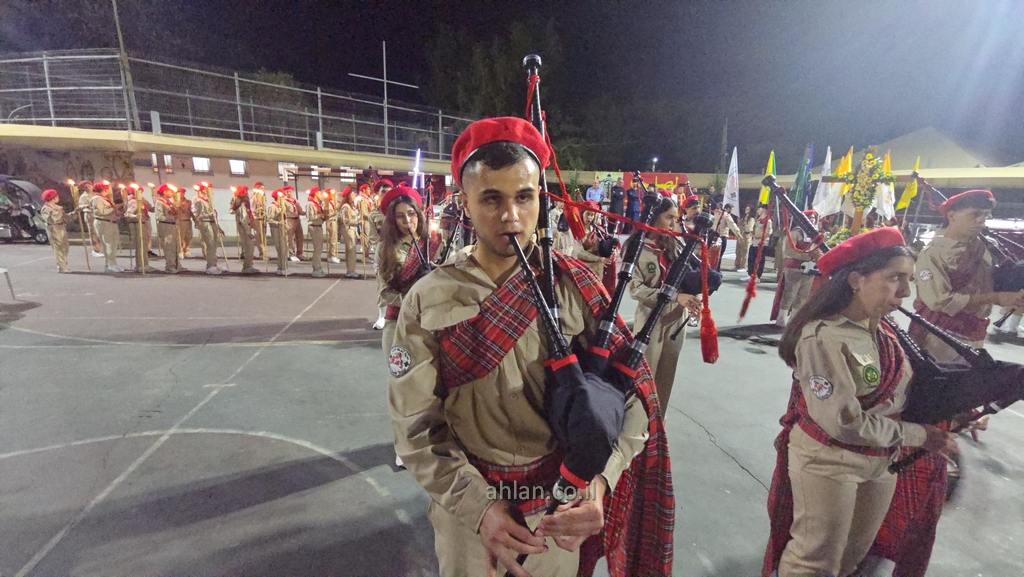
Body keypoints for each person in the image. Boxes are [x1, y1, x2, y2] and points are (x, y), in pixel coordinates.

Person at [389, 117, 672, 577]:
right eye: (492, 199)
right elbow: (415, 426)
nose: (511, 216)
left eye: (524, 197)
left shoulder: (574, 284)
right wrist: (480, 509)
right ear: (464, 201)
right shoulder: (429, 298)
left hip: (559, 514)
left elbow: (632, 393)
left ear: (540, 197)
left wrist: (601, 480)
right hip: (470, 520)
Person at [761, 227, 958, 577]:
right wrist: (919, 435)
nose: (906, 291)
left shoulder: (885, 332)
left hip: (882, 460)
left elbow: (901, 395)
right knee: (814, 560)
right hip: (830, 460)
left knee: (854, 556)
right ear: (855, 279)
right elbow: (844, 421)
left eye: (909, 279)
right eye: (895, 278)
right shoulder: (822, 337)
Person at [911, 190, 1024, 361]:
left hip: (975, 332)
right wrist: (996, 297)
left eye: (985, 215)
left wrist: (1012, 292)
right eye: (975, 214)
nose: (981, 221)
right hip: (939, 335)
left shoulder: (987, 246)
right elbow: (939, 301)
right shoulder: (933, 253)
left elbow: (990, 282)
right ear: (952, 216)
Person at [628, 194, 702, 410]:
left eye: (675, 218)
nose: (673, 223)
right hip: (651, 320)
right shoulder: (638, 248)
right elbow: (636, 289)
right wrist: (675, 296)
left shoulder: (676, 245)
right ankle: (638, 425)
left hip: (677, 319)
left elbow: (690, 276)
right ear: (653, 217)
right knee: (644, 377)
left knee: (666, 378)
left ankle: (659, 424)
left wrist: (695, 298)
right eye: (669, 217)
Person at [374, 185, 438, 361]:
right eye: (400, 216)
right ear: (392, 220)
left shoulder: (435, 246)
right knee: (398, 372)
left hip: (431, 323)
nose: (407, 221)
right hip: (397, 321)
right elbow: (384, 292)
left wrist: (436, 274)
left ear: (419, 215)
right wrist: (413, 304)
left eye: (411, 214)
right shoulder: (385, 248)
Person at [775, 210, 823, 328]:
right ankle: (781, 320)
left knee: (803, 296)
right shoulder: (795, 233)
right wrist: (808, 255)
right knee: (789, 294)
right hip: (794, 268)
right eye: (809, 217)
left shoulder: (816, 235)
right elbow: (789, 251)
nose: (812, 220)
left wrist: (818, 256)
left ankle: (794, 320)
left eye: (813, 218)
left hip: (810, 269)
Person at [90, 181, 123, 273]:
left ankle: (113, 263)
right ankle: (109, 264)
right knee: (108, 244)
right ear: (104, 189)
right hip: (104, 222)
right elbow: (100, 212)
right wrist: (115, 208)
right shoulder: (97, 199)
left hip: (111, 222)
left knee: (113, 244)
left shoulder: (104, 199)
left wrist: (117, 213)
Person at [192, 183, 224, 275]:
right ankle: (210, 265)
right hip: (205, 223)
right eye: (210, 189)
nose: (212, 191)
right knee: (210, 244)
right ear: (204, 190)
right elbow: (199, 215)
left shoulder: (209, 201)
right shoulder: (199, 201)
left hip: (212, 223)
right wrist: (210, 215)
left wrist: (218, 226)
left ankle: (214, 264)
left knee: (214, 244)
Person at [124, 185, 156, 273]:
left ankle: (145, 264)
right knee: (140, 245)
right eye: (139, 192)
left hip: (144, 222)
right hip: (137, 224)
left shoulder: (142, 200)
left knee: (144, 245)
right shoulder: (133, 201)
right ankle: (141, 265)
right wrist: (135, 216)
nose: (141, 193)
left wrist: (154, 198)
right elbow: (128, 214)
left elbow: (152, 209)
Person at [39, 189, 71, 273]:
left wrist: (74, 213)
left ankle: (63, 264)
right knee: (58, 247)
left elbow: (65, 218)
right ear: (54, 197)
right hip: (53, 228)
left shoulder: (57, 207)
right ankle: (62, 267)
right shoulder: (45, 209)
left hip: (61, 227)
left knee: (65, 247)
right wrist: (58, 213)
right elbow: (50, 220)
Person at [230, 186, 260, 275]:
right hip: (244, 228)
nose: (247, 194)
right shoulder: (242, 205)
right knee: (249, 247)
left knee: (250, 247)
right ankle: (247, 267)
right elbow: (243, 220)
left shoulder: (245, 204)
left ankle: (249, 265)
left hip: (246, 226)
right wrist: (248, 232)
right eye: (246, 192)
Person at [154, 184, 183, 274]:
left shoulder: (170, 203)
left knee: (175, 245)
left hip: (172, 224)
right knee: (169, 246)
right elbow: (159, 216)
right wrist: (170, 218)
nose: (172, 193)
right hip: (166, 225)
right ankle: (170, 266)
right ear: (164, 192)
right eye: (170, 191)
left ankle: (176, 264)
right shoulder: (160, 202)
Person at [743, 204, 774, 281]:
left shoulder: (768, 220)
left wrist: (756, 236)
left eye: (759, 209)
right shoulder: (759, 219)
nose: (757, 211)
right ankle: (750, 274)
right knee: (751, 259)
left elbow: (768, 233)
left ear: (764, 210)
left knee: (759, 260)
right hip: (754, 242)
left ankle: (757, 276)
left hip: (761, 243)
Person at [338, 187, 361, 279]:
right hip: (348, 229)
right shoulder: (346, 207)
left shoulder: (351, 207)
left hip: (352, 229)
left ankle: (351, 270)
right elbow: (346, 221)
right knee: (351, 251)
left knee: (351, 251)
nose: (354, 195)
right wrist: (358, 223)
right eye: (352, 194)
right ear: (348, 196)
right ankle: (350, 271)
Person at [75, 180, 103, 256]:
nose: (88, 188)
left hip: (98, 214)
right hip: (89, 214)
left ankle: (101, 248)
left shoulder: (96, 194)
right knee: (93, 232)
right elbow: (80, 206)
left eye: (89, 186)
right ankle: (96, 250)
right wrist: (86, 206)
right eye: (86, 187)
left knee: (99, 232)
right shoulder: (83, 197)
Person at [711, 203, 741, 271]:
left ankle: (712, 269)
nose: (732, 211)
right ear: (728, 209)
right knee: (719, 255)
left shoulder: (716, 214)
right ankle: (717, 270)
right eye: (731, 209)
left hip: (713, 235)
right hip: (722, 236)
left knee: (713, 254)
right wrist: (739, 235)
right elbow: (733, 226)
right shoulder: (726, 215)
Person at [305, 187, 328, 278]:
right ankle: (316, 268)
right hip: (314, 227)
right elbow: (310, 217)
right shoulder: (310, 204)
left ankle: (318, 266)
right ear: (315, 193)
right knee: (317, 249)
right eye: (319, 193)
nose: (321, 195)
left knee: (320, 249)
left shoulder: (317, 204)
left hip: (319, 226)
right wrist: (320, 215)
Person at [267, 189, 288, 275]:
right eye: (282, 196)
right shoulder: (272, 207)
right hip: (276, 228)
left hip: (282, 228)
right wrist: (278, 223)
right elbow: (269, 219)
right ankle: (281, 267)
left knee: (284, 248)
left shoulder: (282, 206)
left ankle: (283, 267)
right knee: (280, 248)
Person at [282, 185, 304, 261]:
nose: (289, 193)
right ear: (284, 192)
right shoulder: (283, 201)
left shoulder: (295, 200)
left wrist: (305, 213)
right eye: (287, 191)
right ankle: (291, 253)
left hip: (297, 219)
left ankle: (299, 253)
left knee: (300, 236)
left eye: (290, 191)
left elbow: (299, 210)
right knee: (290, 237)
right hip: (289, 219)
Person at [175, 186, 196, 259]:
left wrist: (195, 220)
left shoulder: (189, 202)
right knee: (180, 236)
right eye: (178, 193)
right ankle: (180, 250)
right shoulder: (175, 202)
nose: (180, 194)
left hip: (187, 220)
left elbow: (192, 212)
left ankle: (186, 250)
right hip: (179, 221)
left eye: (182, 193)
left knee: (188, 236)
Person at [251, 182, 268, 260]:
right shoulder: (254, 197)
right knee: (259, 236)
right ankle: (261, 252)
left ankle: (264, 252)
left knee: (263, 236)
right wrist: (256, 215)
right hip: (257, 218)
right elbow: (252, 209)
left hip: (263, 218)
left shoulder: (263, 197)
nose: (263, 190)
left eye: (264, 188)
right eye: (261, 188)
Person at [735, 205, 755, 271]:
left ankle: (744, 266)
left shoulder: (751, 219)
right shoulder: (743, 218)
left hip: (746, 236)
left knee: (744, 252)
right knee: (738, 251)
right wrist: (739, 222)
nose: (746, 210)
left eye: (748, 209)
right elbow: (738, 226)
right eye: (746, 209)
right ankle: (737, 265)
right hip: (740, 235)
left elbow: (749, 228)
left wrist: (744, 224)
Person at [325, 187, 341, 265]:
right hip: (330, 221)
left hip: (334, 221)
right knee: (332, 239)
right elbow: (326, 214)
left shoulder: (333, 202)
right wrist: (333, 213)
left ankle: (332, 254)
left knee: (334, 238)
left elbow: (338, 208)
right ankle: (332, 255)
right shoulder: (326, 203)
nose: (333, 195)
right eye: (331, 194)